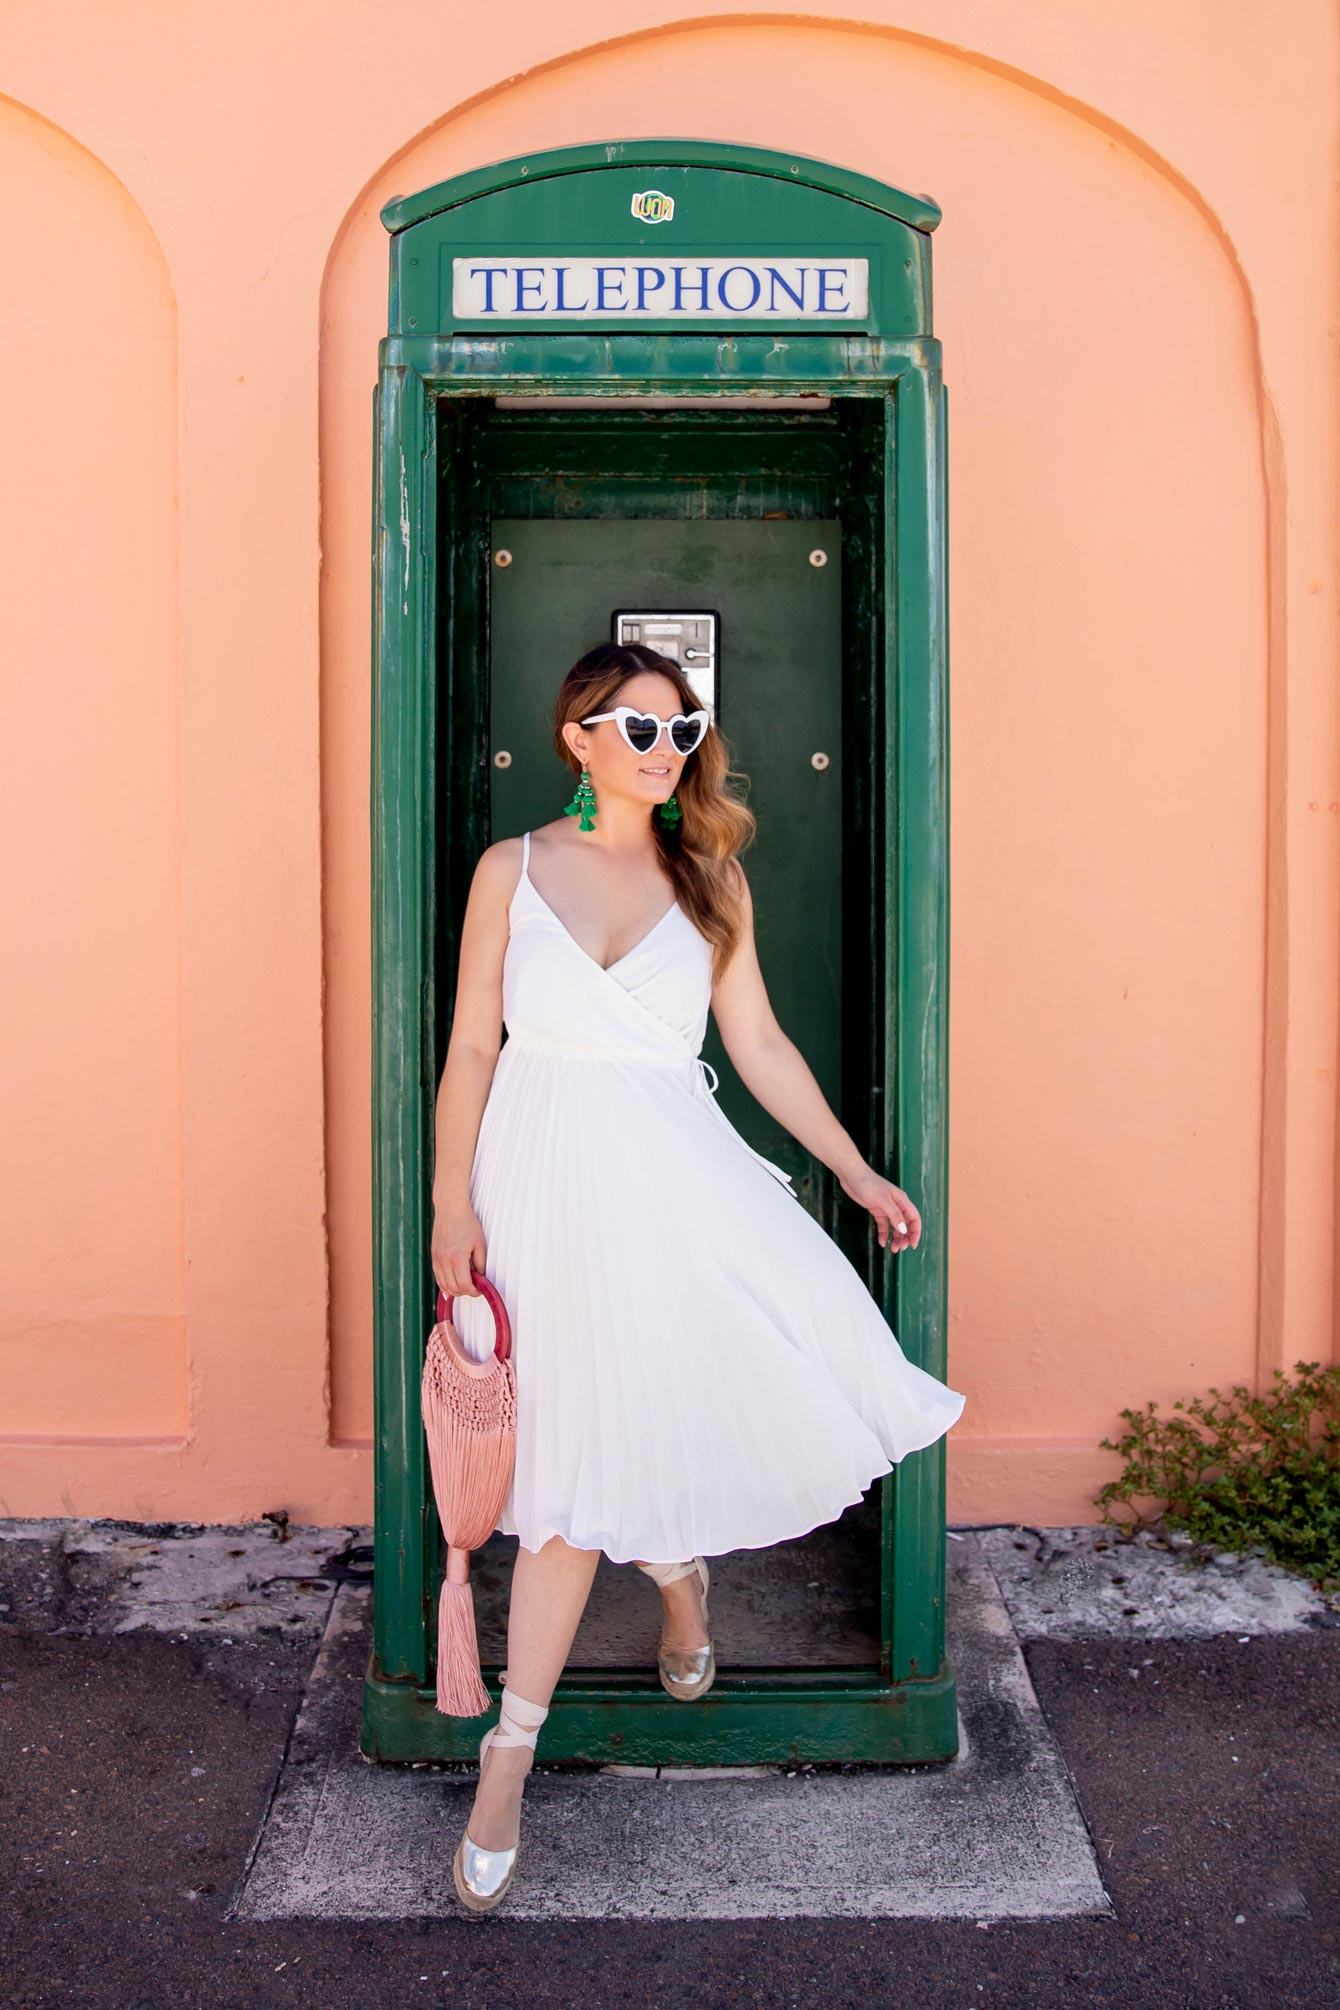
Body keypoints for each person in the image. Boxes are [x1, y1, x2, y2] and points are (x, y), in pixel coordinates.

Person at [431, 640, 966, 1913]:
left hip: (671, 1180)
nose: (663, 750)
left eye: (681, 731)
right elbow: (467, 1047)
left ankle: (677, 1582)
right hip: (541, 1177)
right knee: (561, 1465)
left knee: (658, 1404)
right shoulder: (510, 870)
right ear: (576, 738)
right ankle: (509, 1759)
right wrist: (448, 1201)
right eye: (636, 727)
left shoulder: (707, 872)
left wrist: (850, 1168)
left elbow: (761, 1043)